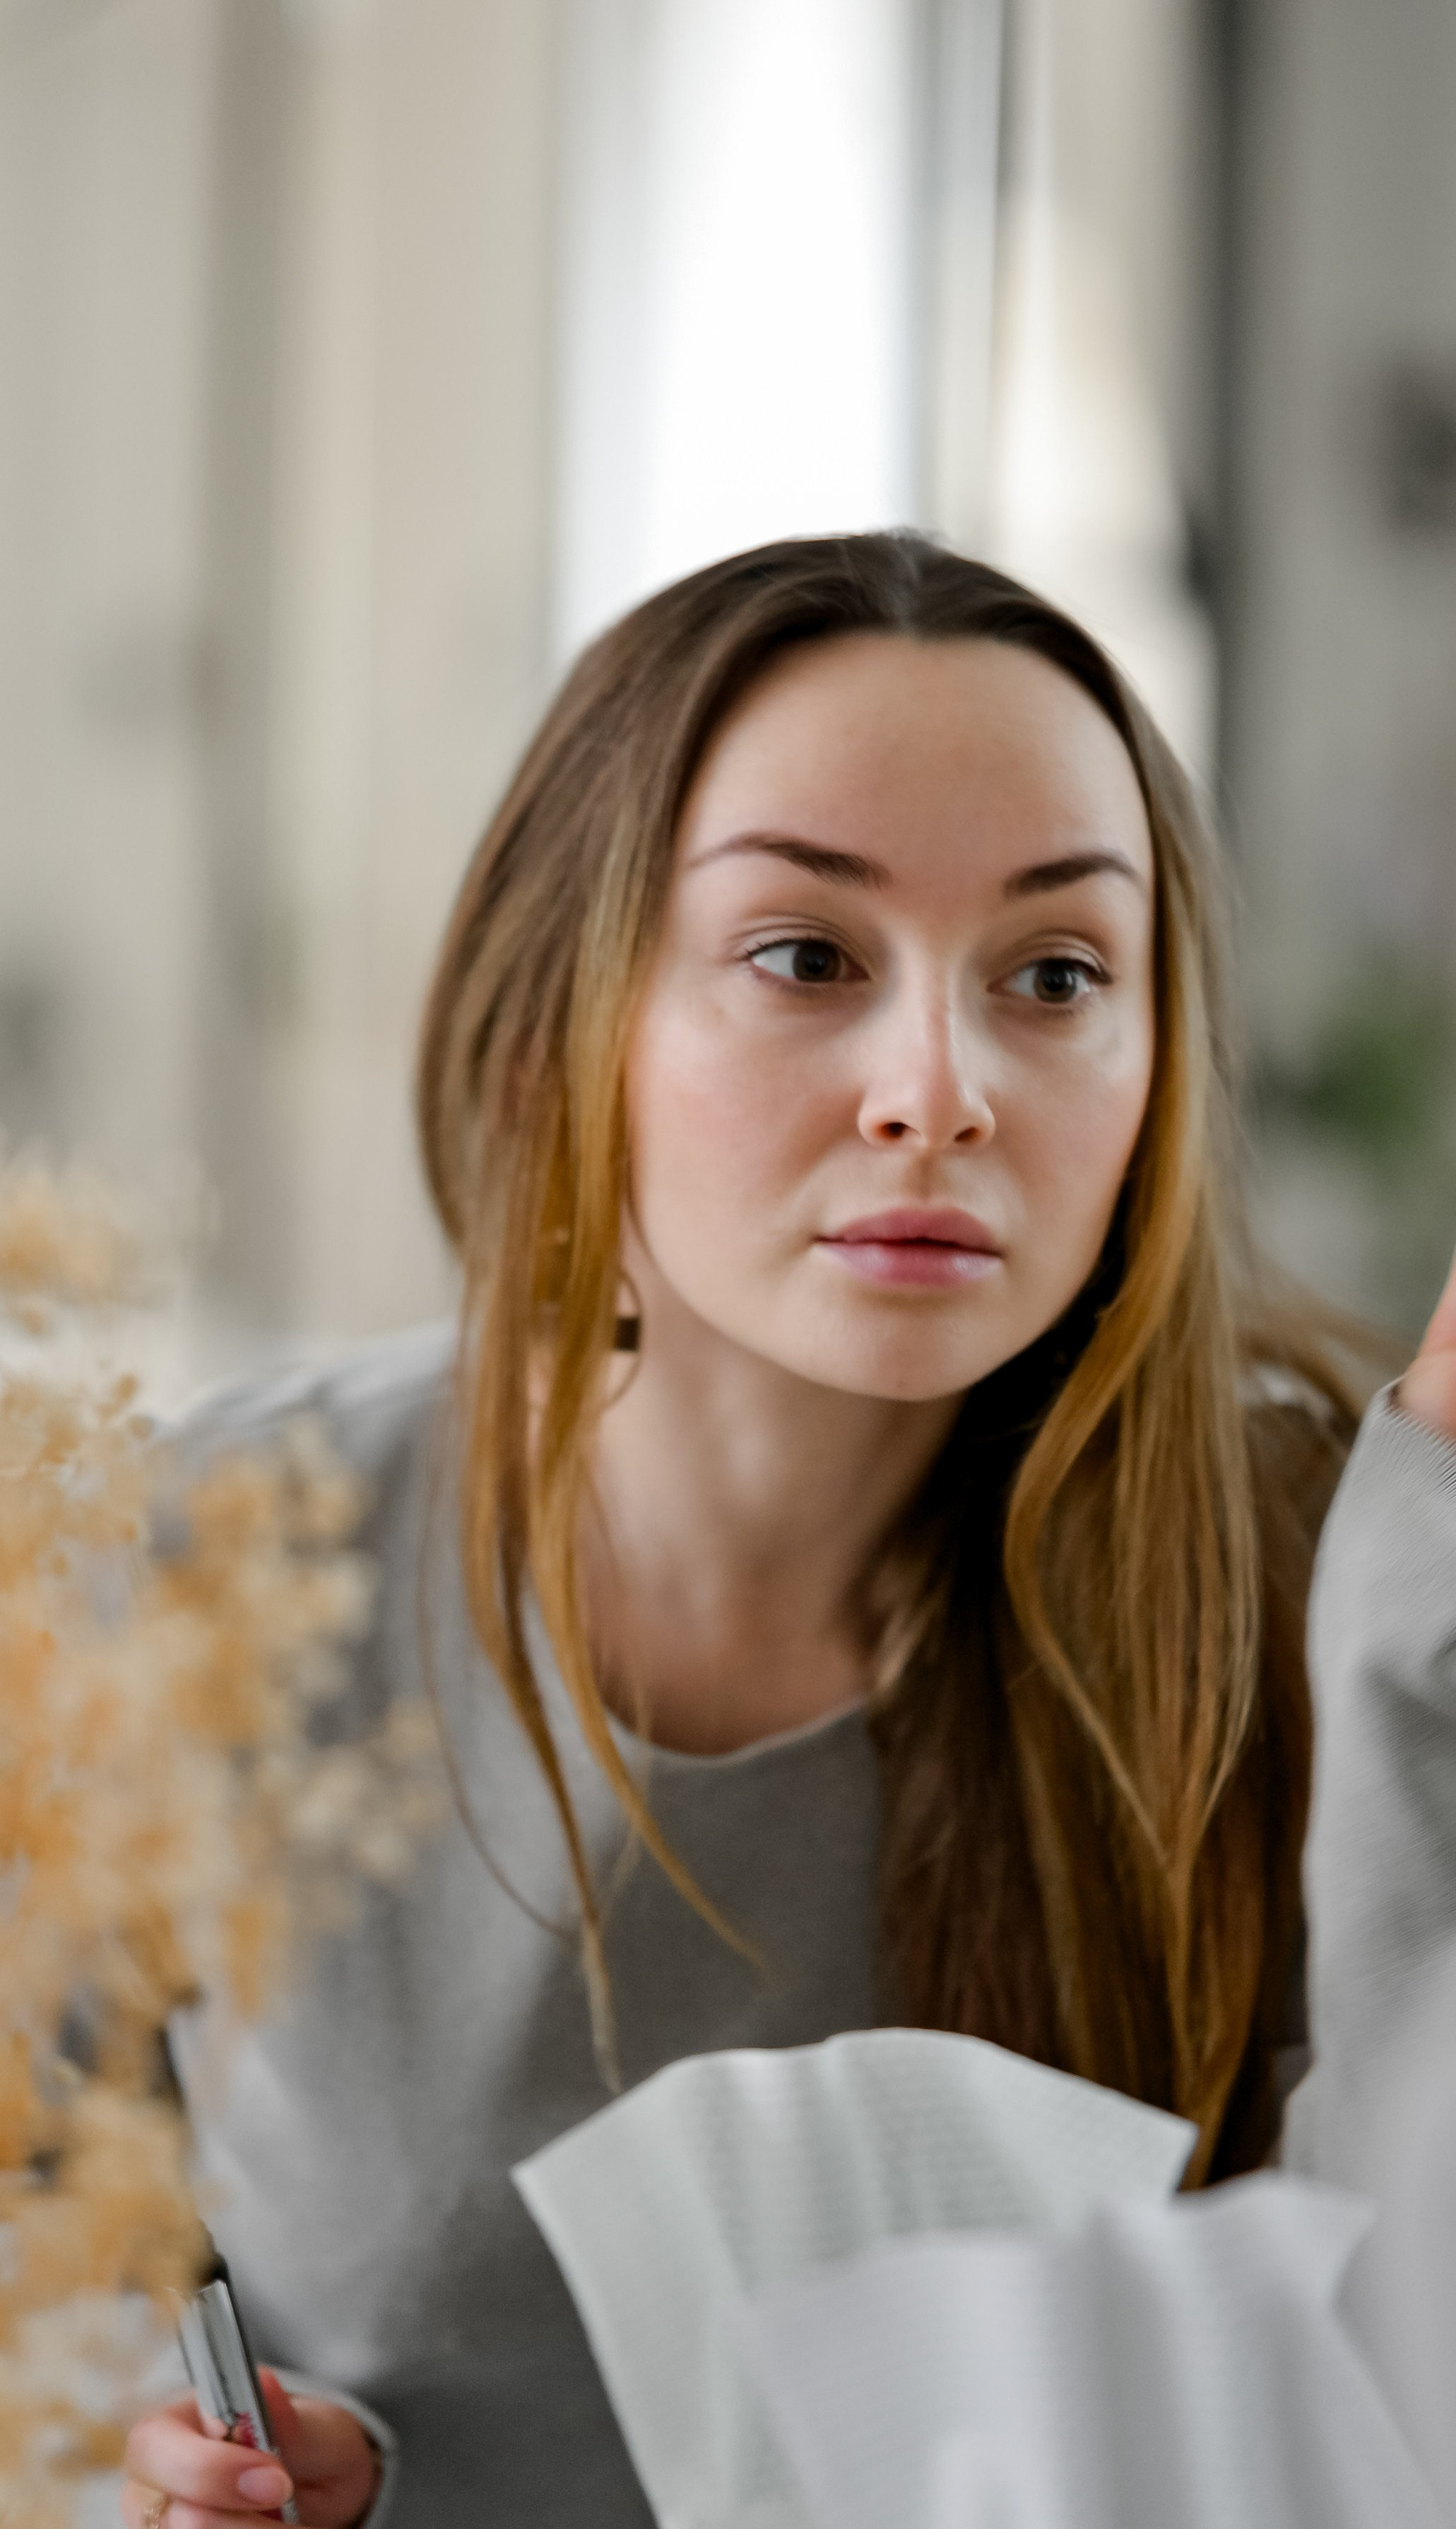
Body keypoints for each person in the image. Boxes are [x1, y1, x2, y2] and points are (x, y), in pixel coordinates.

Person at [121, 533, 1359, 2529]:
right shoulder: (198, 1567)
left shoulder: (1310, 1594)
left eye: (1056, 974)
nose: (937, 1092)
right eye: (806, 955)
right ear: (562, 1020)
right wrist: (150, 2464)